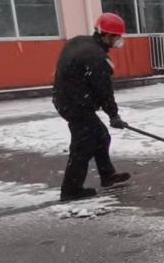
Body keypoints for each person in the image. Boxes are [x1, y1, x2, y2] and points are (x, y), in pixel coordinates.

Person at [52, 13, 132, 201]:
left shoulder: (79, 41)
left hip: (67, 100)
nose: (120, 40)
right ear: (108, 36)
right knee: (83, 146)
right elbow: (104, 91)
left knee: (101, 136)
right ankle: (71, 191)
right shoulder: (97, 58)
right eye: (118, 37)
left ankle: (107, 175)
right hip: (76, 105)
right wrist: (114, 115)